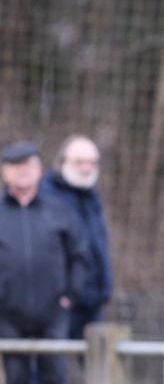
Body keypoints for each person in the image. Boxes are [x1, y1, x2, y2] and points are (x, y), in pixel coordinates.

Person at [0, 141, 90, 384]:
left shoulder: (59, 210)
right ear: (4, 172)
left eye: (28, 165)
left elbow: (80, 256)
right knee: (17, 379)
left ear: (40, 170)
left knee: (55, 376)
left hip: (53, 311)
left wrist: (70, 295)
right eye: (15, 166)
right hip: (8, 313)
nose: (22, 172)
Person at [41, 135, 113, 340]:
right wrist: (63, 292)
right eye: (79, 162)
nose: (86, 168)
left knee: (99, 356)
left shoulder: (92, 198)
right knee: (54, 358)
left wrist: (104, 287)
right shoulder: (47, 197)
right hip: (59, 303)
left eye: (92, 162)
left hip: (92, 301)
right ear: (62, 162)